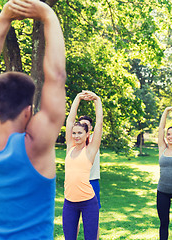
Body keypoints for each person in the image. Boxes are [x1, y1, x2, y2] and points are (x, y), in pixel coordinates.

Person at [0, 0, 66, 239]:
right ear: (28, 111)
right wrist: (48, 15)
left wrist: (3, 17)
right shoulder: (36, 146)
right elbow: (56, 77)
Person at [63, 90, 103, 240]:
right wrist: (77, 98)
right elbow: (69, 121)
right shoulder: (70, 148)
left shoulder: (90, 150)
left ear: (87, 134)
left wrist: (97, 100)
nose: (76, 136)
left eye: (80, 133)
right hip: (69, 202)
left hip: (88, 202)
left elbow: (99, 123)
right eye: (74, 133)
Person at [157, 106, 172, 240]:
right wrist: (166, 111)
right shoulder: (162, 148)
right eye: (169, 134)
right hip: (162, 192)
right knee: (164, 223)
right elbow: (160, 129)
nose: (171, 136)